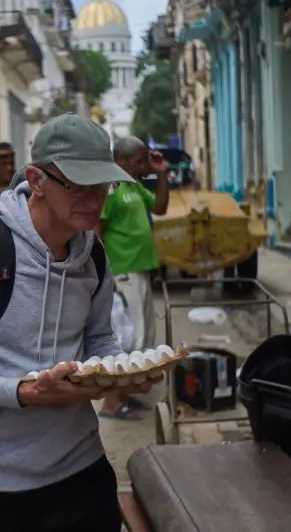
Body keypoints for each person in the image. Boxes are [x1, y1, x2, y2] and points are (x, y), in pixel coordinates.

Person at [0, 114, 149, 532]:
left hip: (82, 469)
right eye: (79, 185)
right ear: (37, 180)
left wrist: (121, 370)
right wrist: (24, 392)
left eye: (103, 185)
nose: (95, 199)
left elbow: (98, 338)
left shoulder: (93, 256)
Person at [97, 137, 169, 421]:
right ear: (121, 160)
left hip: (140, 271)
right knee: (128, 341)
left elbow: (160, 207)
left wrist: (161, 173)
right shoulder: (110, 189)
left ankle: (125, 397)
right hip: (123, 273)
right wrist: (105, 274)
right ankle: (111, 404)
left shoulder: (134, 186)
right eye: (139, 161)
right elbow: (96, 231)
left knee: (143, 339)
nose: (143, 167)